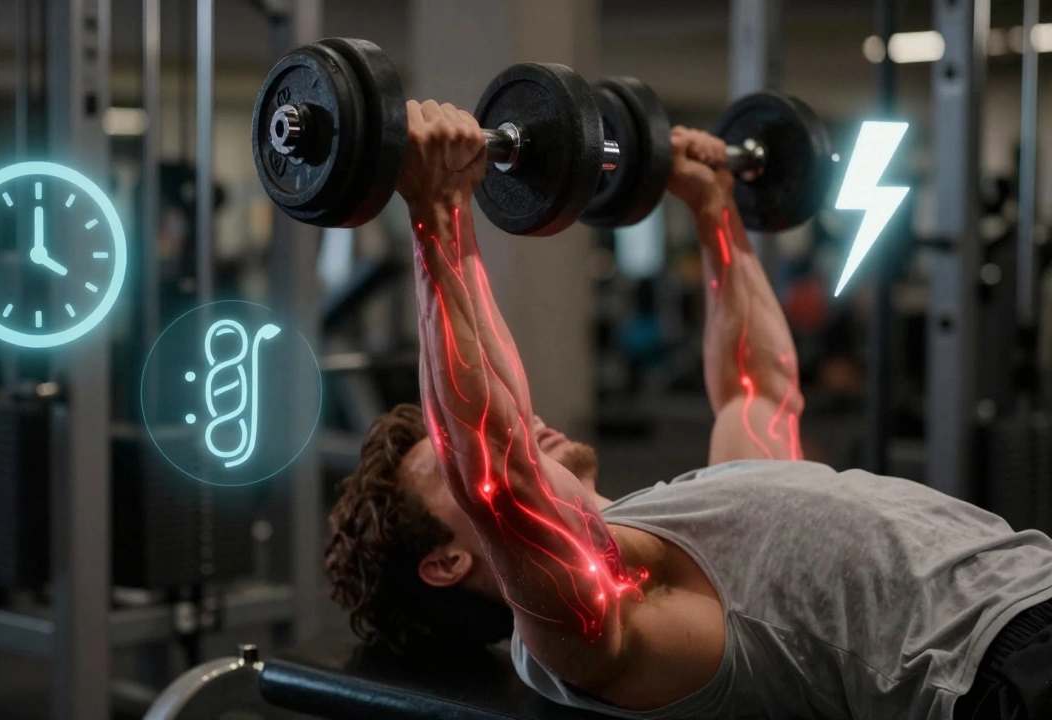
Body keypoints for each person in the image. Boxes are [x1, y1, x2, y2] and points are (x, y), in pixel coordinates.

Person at [323, 100, 1052, 720]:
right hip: (999, 667)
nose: (529, 423)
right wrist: (439, 213)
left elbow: (756, 387)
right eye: (444, 464)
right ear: (446, 562)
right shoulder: (585, 630)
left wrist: (714, 211)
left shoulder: (699, 515)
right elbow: (500, 473)